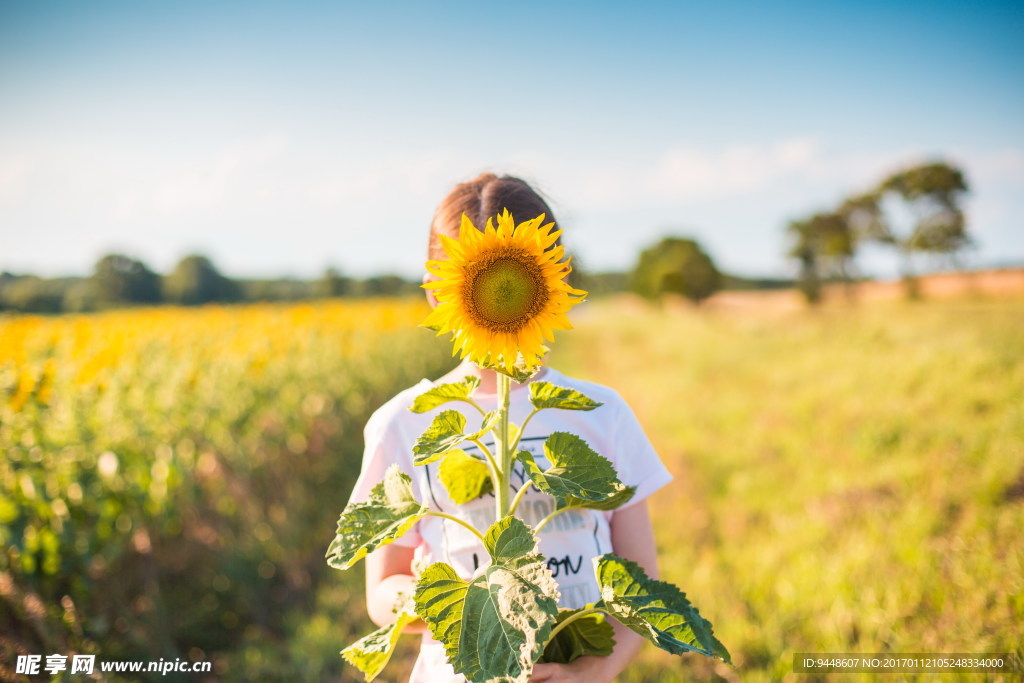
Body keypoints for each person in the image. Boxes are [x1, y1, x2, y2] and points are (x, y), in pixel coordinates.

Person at [348, 173, 673, 682]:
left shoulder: (602, 413)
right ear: (438, 291)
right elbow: (381, 592)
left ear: (555, 279)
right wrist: (449, 599)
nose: (503, 293)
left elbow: (642, 587)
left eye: (517, 277)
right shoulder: (405, 423)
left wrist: (589, 675)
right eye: (477, 279)